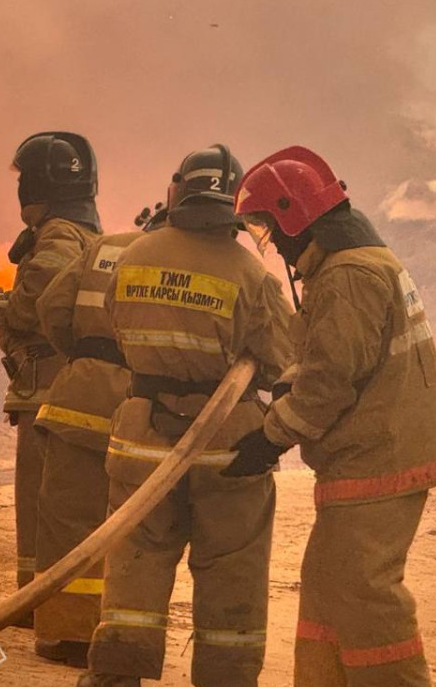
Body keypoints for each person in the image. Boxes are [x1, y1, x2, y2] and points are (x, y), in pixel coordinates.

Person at [225, 145, 436, 687]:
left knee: (365, 592)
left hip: (380, 456)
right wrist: (282, 393)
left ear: (294, 216)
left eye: (266, 226)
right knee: (329, 586)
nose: (270, 241)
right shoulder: (352, 266)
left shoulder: (347, 276)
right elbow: (323, 359)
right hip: (371, 452)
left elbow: (330, 379)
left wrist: (271, 436)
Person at [80, 145, 294, 687]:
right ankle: (225, 678)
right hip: (227, 447)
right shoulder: (253, 274)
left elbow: (114, 327)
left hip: (143, 435)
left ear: (177, 192)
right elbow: (282, 360)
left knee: (135, 561)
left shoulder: (133, 256)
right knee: (232, 568)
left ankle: (116, 675)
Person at [0, 131, 101, 610]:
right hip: (57, 386)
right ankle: (42, 603)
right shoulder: (81, 233)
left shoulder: (57, 236)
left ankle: (32, 606)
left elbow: (33, 310)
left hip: (44, 390)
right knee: (58, 503)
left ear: (38, 185)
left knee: (38, 505)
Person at [32, 209, 155, 665]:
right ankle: (116, 634)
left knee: (67, 519)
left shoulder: (105, 247)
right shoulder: (202, 260)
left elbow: (51, 307)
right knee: (134, 530)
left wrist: (83, 356)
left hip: (79, 396)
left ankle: (67, 635)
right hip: (145, 407)